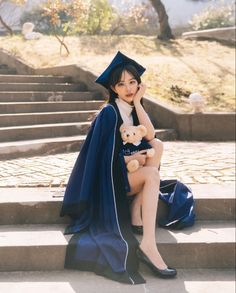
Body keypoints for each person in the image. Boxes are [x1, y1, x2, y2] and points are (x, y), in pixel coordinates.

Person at [60, 51, 179, 284]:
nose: (128, 88)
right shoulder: (109, 113)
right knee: (153, 174)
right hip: (108, 182)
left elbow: (151, 135)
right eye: (122, 84)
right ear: (113, 88)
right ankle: (148, 244)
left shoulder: (132, 109)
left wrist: (137, 103)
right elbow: (99, 159)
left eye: (133, 82)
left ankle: (136, 208)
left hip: (127, 177)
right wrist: (129, 158)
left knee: (158, 144)